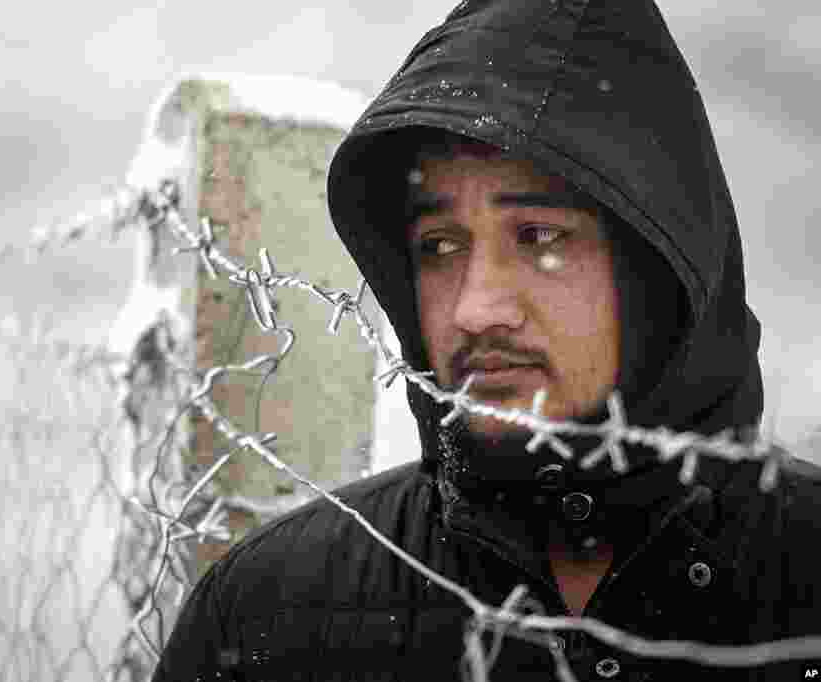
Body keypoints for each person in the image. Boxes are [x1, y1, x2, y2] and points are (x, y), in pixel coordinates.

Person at [151, 1, 821, 680]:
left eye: (538, 237)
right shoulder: (276, 613)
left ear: (655, 268)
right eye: (440, 246)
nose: (474, 310)